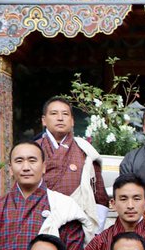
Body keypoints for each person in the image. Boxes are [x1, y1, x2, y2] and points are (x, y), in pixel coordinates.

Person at [37, 96, 109, 224]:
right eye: (54, 113)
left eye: (65, 114)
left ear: (72, 121)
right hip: (41, 218)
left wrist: (96, 229)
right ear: (44, 120)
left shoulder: (85, 150)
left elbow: (99, 194)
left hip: (78, 222)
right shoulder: (33, 149)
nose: (60, 118)